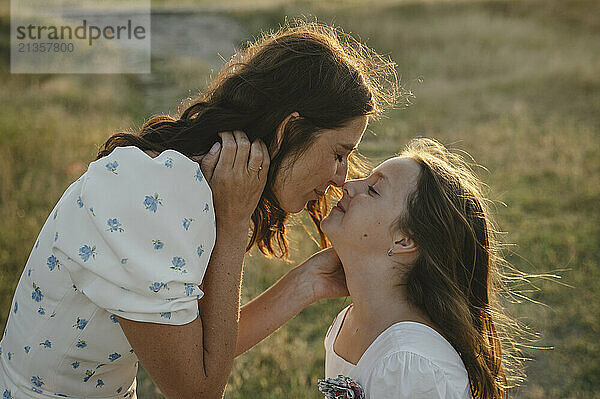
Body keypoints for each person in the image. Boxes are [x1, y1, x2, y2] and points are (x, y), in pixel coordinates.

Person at [0, 22, 398, 398]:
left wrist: (304, 283)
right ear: (288, 128)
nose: (340, 178)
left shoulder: (193, 182)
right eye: (339, 153)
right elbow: (197, 389)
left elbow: (200, 347)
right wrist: (233, 223)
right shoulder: (151, 198)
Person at [319, 138, 524, 399]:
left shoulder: (410, 364)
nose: (347, 185)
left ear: (404, 240)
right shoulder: (348, 322)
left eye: (373, 190)